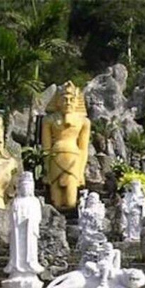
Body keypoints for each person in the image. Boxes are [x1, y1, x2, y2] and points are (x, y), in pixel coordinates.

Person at [42, 81, 91, 209]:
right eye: (64, 99)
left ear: (76, 102)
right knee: (56, 201)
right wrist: (46, 169)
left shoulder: (84, 122)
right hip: (55, 158)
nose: (68, 102)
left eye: (71, 99)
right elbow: (46, 147)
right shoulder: (48, 120)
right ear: (58, 102)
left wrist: (81, 172)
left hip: (74, 159)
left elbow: (84, 148)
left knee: (70, 201)